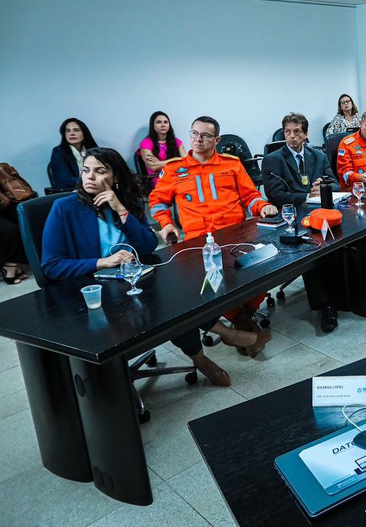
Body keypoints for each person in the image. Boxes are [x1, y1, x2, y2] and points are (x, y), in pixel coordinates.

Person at [43, 148, 260, 386]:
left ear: (115, 178)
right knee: (170, 304)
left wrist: (120, 210)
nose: (90, 177)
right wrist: (104, 262)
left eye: (99, 171)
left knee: (181, 289)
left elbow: (146, 245)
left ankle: (208, 351)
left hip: (131, 279)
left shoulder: (126, 202)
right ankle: (212, 348)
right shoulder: (64, 209)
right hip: (93, 290)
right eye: (86, 170)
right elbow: (51, 266)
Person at [149, 116, 277, 357]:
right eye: (194, 134)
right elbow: (157, 201)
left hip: (239, 234)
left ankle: (243, 321)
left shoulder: (232, 164)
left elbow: (251, 196)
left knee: (264, 269)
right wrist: (166, 225)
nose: (198, 139)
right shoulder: (175, 169)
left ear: (217, 139)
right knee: (212, 283)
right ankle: (245, 324)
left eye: (206, 135)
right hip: (199, 243)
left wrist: (262, 206)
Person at [261, 113, 340, 332]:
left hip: (322, 213)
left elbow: (334, 183)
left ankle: (347, 296)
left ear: (305, 134)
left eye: (297, 132)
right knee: (312, 251)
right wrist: (307, 196)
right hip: (292, 218)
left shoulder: (318, 156)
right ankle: (326, 306)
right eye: (288, 132)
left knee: (343, 242)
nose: (292, 136)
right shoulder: (273, 160)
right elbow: (275, 194)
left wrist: (322, 188)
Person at [138, 111, 187, 189]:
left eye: (165, 122)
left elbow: (187, 162)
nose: (163, 125)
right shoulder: (146, 143)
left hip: (178, 175)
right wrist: (176, 160)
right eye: (159, 122)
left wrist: (160, 163)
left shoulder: (177, 141)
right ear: (152, 125)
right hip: (159, 179)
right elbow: (154, 167)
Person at [49, 118, 99, 192]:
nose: (71, 133)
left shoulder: (93, 150)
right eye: (67, 131)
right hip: (70, 190)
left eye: (76, 130)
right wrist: (92, 181)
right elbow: (66, 179)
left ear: (84, 133)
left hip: (92, 187)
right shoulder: (58, 151)